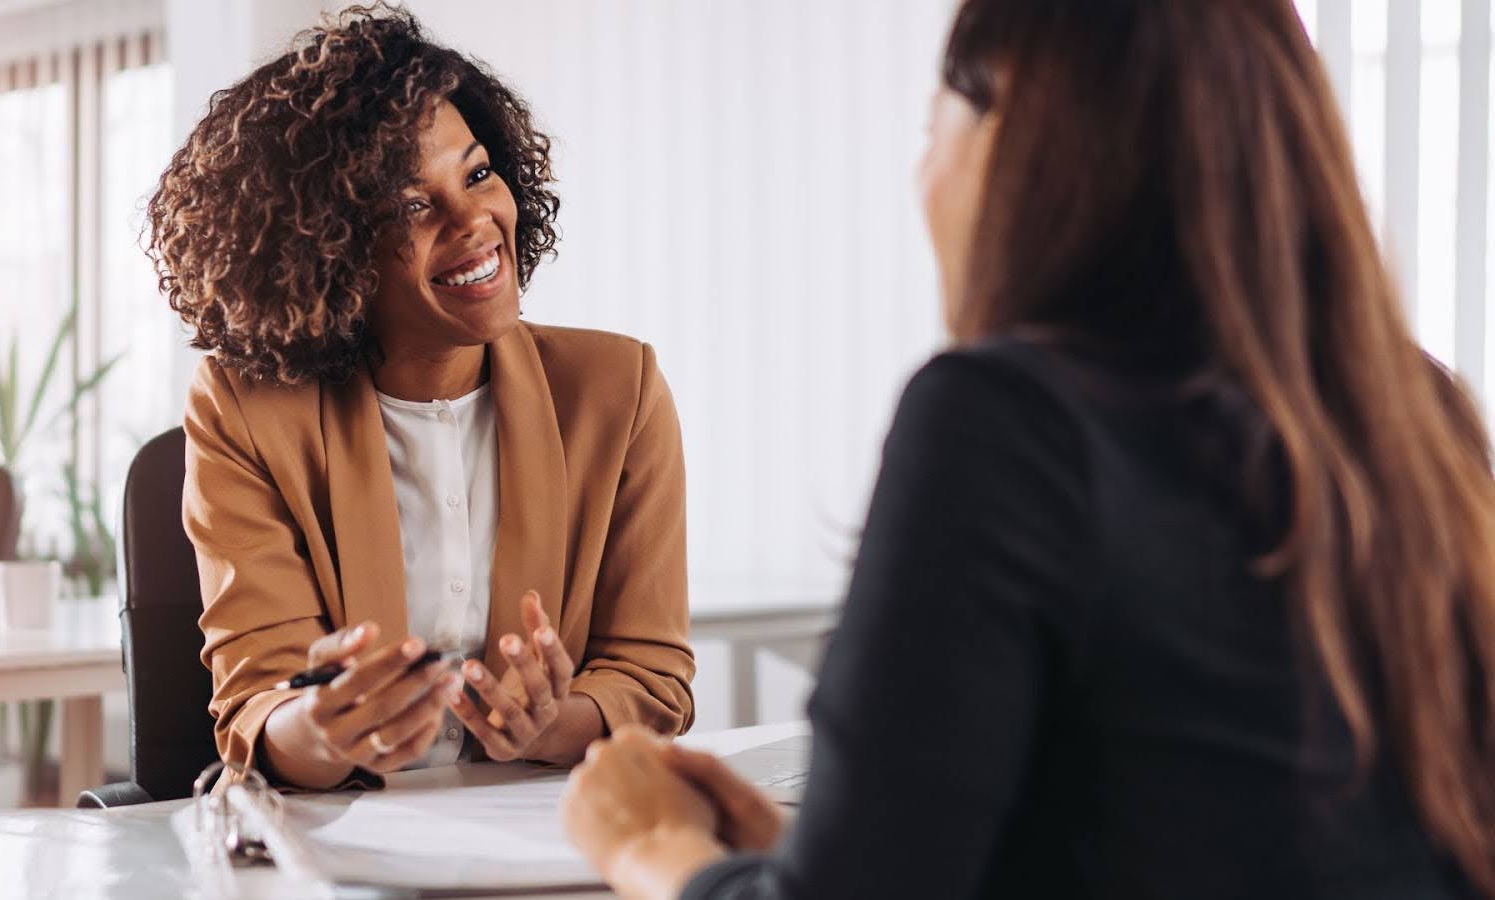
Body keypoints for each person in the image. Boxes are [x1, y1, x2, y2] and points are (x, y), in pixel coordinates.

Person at [560, 1, 1495, 897]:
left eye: (936, 126)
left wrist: (653, 845)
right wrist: (799, 853)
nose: (924, 172)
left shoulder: (1004, 422)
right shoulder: (1417, 415)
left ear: (1018, 147)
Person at [149, 4, 694, 791]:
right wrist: (330, 728)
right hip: (342, 848)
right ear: (328, 248)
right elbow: (258, 707)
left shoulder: (618, 390)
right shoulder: (245, 410)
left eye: (477, 174)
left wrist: (550, 723)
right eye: (412, 205)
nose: (475, 221)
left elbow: (653, 677)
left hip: (543, 842)